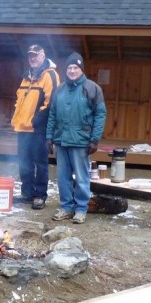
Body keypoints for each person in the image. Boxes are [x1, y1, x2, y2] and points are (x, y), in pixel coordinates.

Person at [47, 52, 107, 224]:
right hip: (61, 140)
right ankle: (66, 207)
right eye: (69, 68)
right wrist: (49, 137)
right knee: (63, 177)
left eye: (75, 67)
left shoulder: (92, 88)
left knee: (81, 178)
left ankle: (81, 209)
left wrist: (94, 139)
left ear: (81, 70)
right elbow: (52, 115)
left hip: (81, 141)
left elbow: (100, 114)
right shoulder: (60, 89)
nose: (72, 71)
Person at [10, 44, 60, 210]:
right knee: (24, 162)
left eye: (35, 55)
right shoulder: (26, 76)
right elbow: (19, 100)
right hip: (22, 128)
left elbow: (51, 102)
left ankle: (40, 195)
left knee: (41, 163)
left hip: (38, 129)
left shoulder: (50, 75)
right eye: (30, 55)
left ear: (43, 55)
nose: (32, 58)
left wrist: (34, 121)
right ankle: (27, 193)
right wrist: (17, 117)